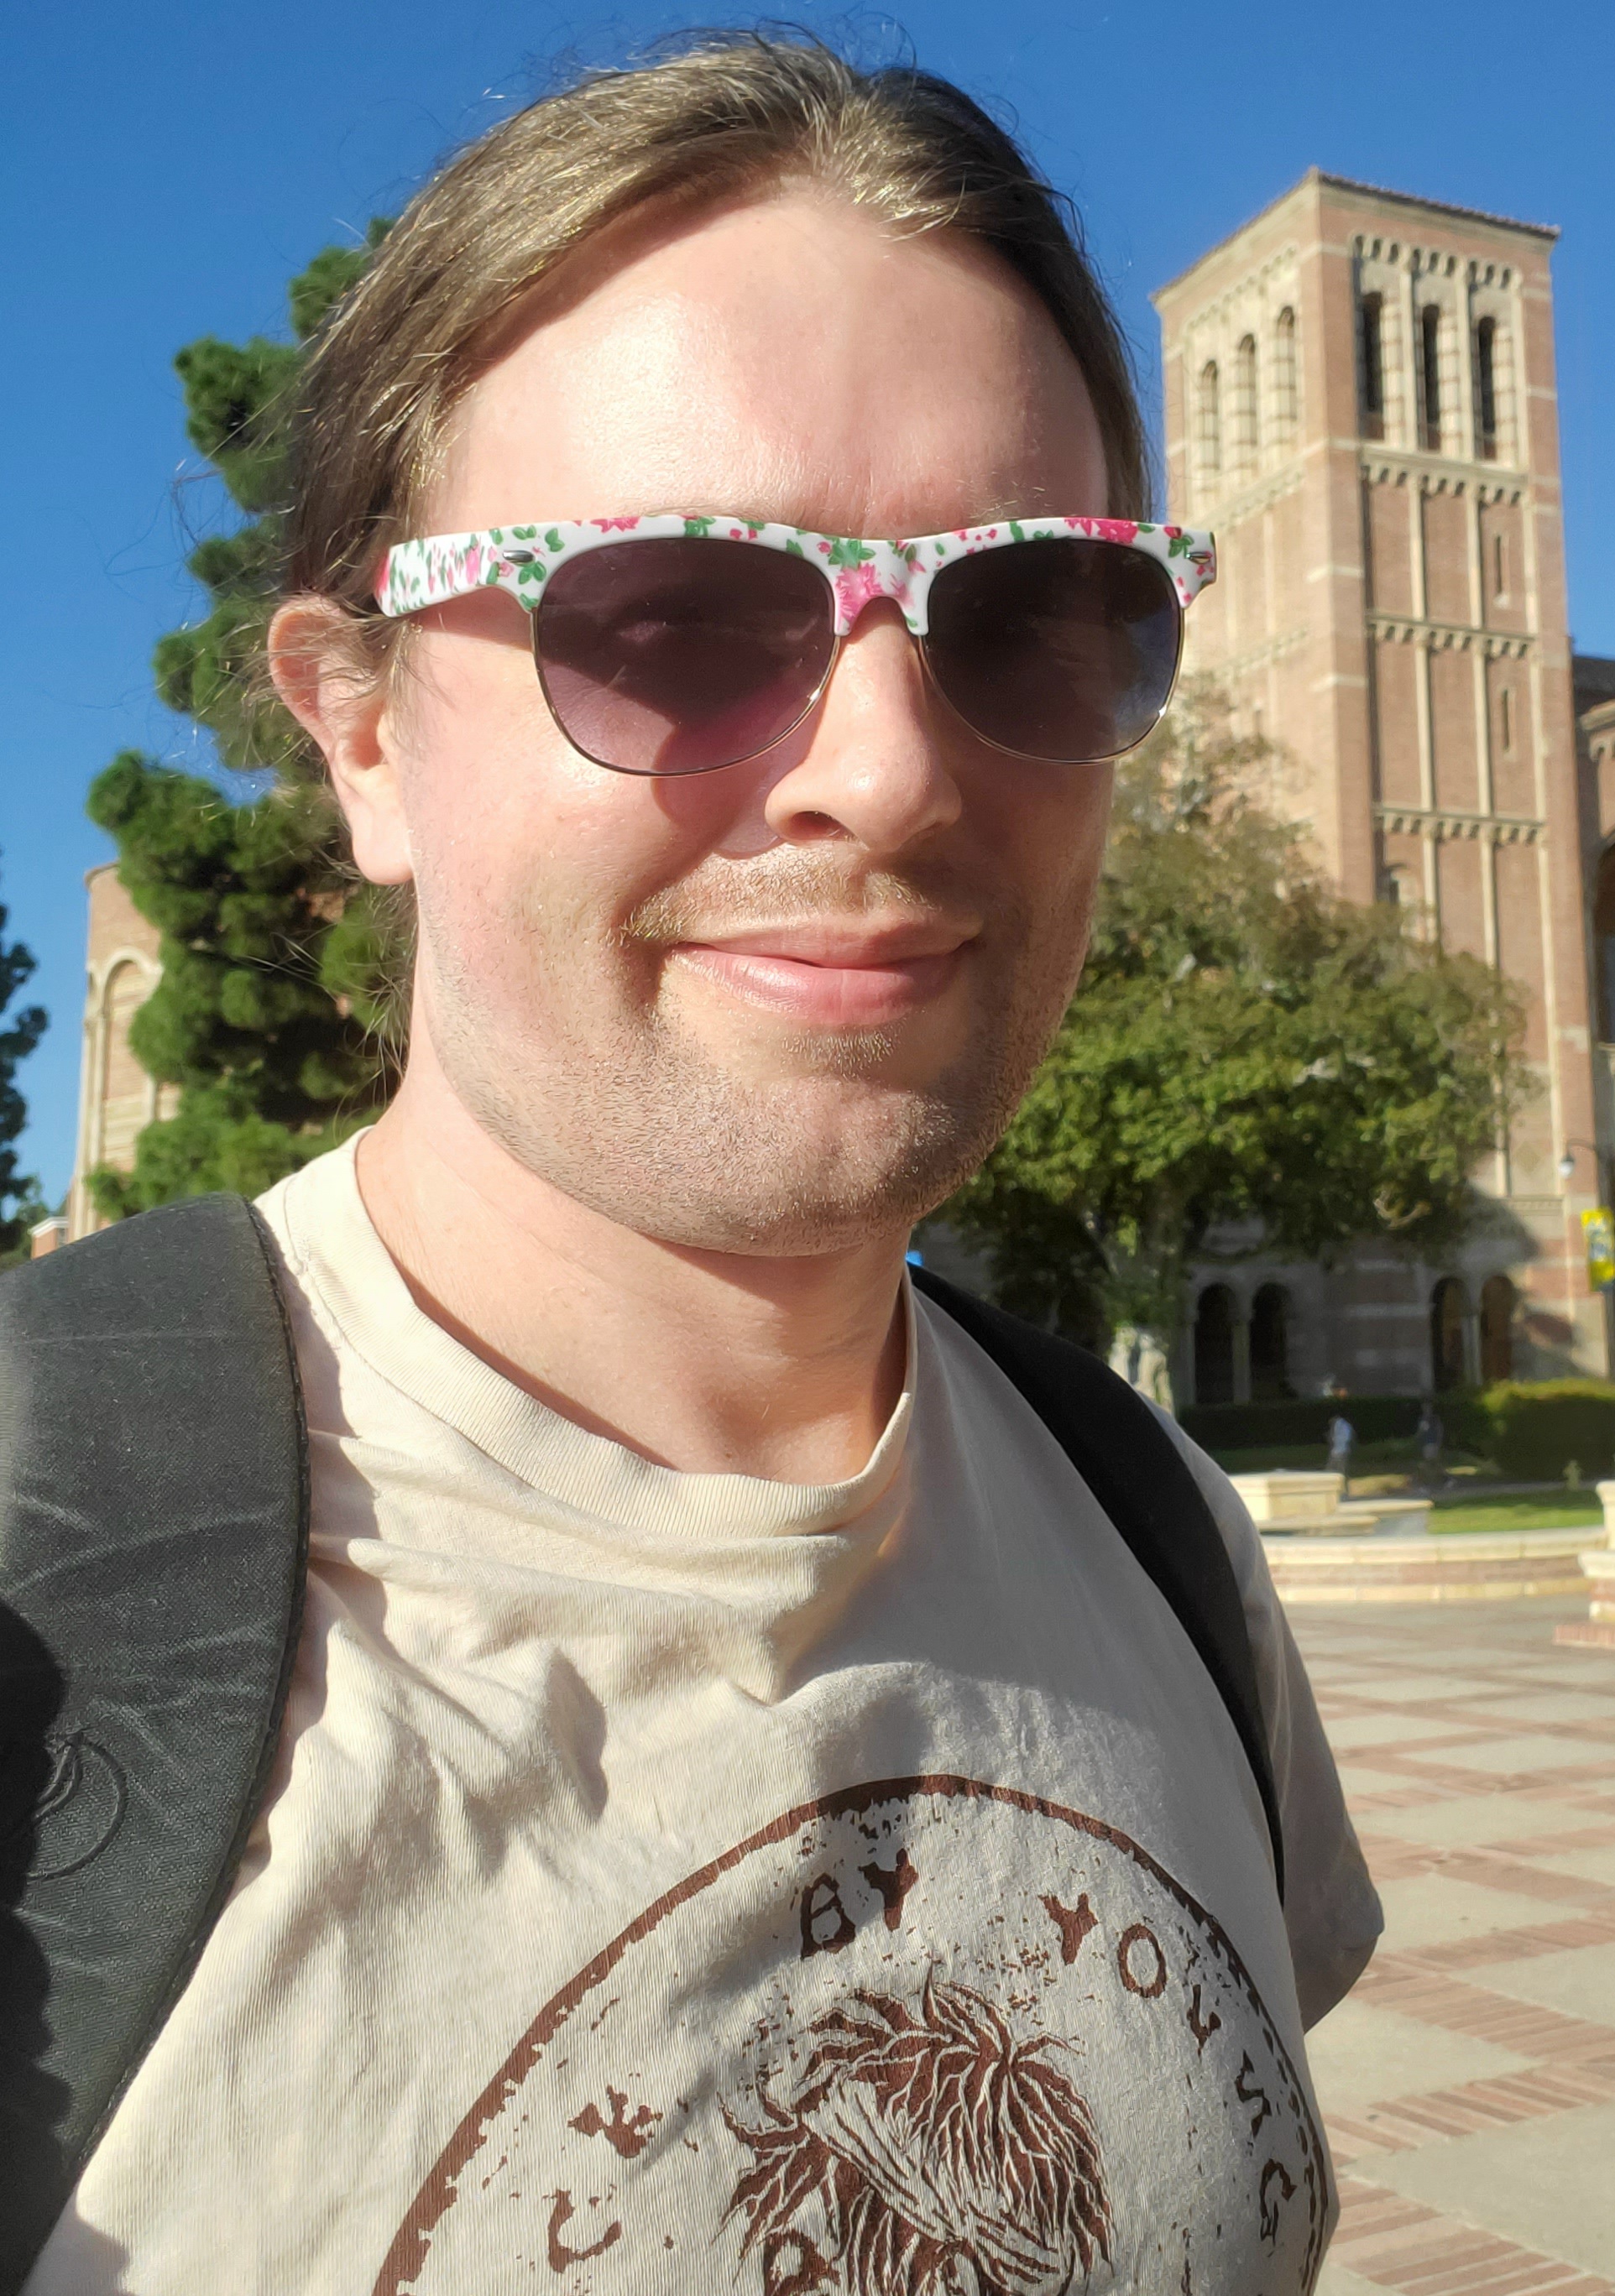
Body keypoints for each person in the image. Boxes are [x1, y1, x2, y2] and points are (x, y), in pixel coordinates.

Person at [20, 35, 1376, 2290]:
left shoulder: (1163, 1547)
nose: (889, 770)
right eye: (664, 617)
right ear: (362, 731)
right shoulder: (40, 1600)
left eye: (1031, 614)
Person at [1325, 1410, 1356, 1495]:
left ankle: (1343, 1491)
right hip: (1338, 1451)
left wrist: (1334, 1441)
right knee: (1338, 1471)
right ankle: (1341, 1490)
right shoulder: (1340, 1425)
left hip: (1340, 1452)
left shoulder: (1341, 1425)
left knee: (1339, 1471)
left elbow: (1343, 1438)